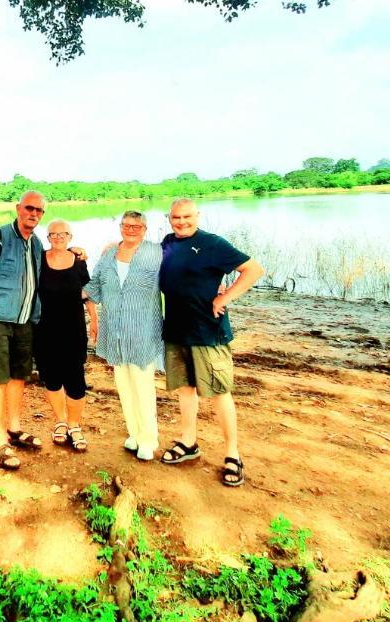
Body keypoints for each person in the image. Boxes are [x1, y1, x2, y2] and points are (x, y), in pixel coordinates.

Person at [159, 198, 264, 487]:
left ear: (198, 216)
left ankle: (233, 454)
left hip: (207, 332)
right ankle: (188, 441)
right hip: (176, 330)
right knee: (186, 389)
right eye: (176, 217)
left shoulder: (213, 244)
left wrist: (225, 296)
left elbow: (253, 270)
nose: (181, 222)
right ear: (169, 218)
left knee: (219, 391)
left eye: (187, 217)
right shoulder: (167, 243)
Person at [0, 191, 47, 470]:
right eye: (29, 208)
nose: (34, 214)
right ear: (18, 208)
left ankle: (14, 430)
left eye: (39, 211)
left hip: (24, 321)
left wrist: (76, 252)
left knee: (18, 377)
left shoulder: (36, 244)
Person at [85, 210, 164, 461]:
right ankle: (134, 433)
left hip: (143, 332)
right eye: (126, 225)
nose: (131, 229)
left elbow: (179, 276)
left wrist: (212, 286)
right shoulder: (109, 254)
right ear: (120, 227)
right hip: (115, 332)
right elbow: (93, 286)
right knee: (124, 386)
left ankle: (148, 440)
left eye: (137, 226)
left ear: (145, 229)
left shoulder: (157, 252)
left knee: (143, 386)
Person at [34, 219, 97, 452]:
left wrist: (94, 319)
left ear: (70, 236)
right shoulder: (38, 259)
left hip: (73, 328)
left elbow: (87, 293)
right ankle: (60, 421)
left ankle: (74, 425)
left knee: (75, 379)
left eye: (63, 234)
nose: (58, 237)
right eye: (53, 234)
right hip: (45, 328)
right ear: (47, 237)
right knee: (52, 378)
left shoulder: (78, 261)